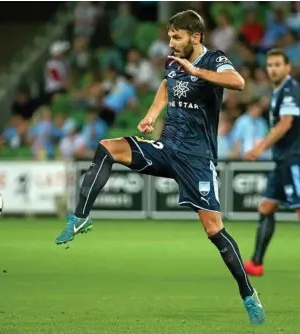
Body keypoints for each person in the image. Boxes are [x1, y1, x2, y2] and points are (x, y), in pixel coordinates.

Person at [55, 10, 265, 324]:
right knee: (107, 148)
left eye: (177, 37)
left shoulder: (214, 60)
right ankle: (81, 216)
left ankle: (248, 293)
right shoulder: (172, 62)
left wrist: (196, 70)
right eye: (169, 36)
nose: (171, 42)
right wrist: (152, 114)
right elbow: (167, 87)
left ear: (195, 36)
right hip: (167, 148)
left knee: (214, 230)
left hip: (197, 159)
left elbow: (238, 81)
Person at [244, 48, 300, 276]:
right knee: (266, 206)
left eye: (278, 64)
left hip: (294, 159)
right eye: (270, 65)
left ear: (287, 67)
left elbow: (286, 123)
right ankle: (256, 263)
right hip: (281, 160)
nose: (273, 69)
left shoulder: (290, 90)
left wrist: (260, 147)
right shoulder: (277, 92)